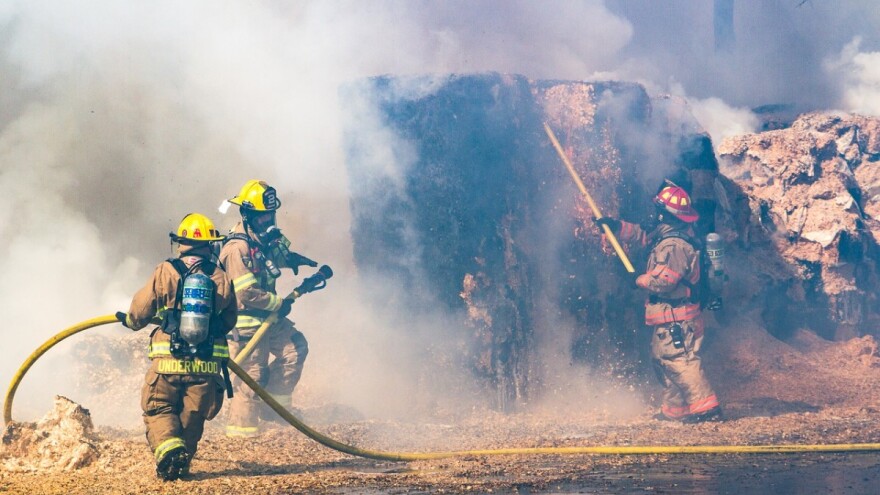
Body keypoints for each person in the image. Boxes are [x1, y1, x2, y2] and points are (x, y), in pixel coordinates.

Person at [117, 213, 237, 481]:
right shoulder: (220, 277)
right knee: (193, 418)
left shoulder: (166, 270)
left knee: (159, 408)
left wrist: (131, 321)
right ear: (211, 245)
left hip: (168, 361)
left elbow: (139, 310)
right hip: (205, 367)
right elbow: (229, 320)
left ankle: (170, 455)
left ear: (180, 243)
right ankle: (180, 464)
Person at [597, 184, 722, 423]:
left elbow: (665, 281)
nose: (654, 214)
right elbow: (642, 235)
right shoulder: (670, 234)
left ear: (665, 214)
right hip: (671, 316)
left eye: (658, 210)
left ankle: (707, 408)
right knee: (665, 360)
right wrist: (615, 227)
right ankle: (675, 410)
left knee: (680, 361)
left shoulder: (674, 246)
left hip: (678, 317)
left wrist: (637, 279)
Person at [220, 179, 316, 438]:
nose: (268, 221)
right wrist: (279, 303)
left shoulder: (261, 240)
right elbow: (246, 292)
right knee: (252, 379)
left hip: (269, 320)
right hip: (244, 325)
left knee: (295, 348)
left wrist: (294, 259)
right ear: (247, 215)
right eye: (262, 217)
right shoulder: (236, 248)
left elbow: (273, 259)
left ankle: (275, 412)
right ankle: (242, 435)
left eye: (270, 215)